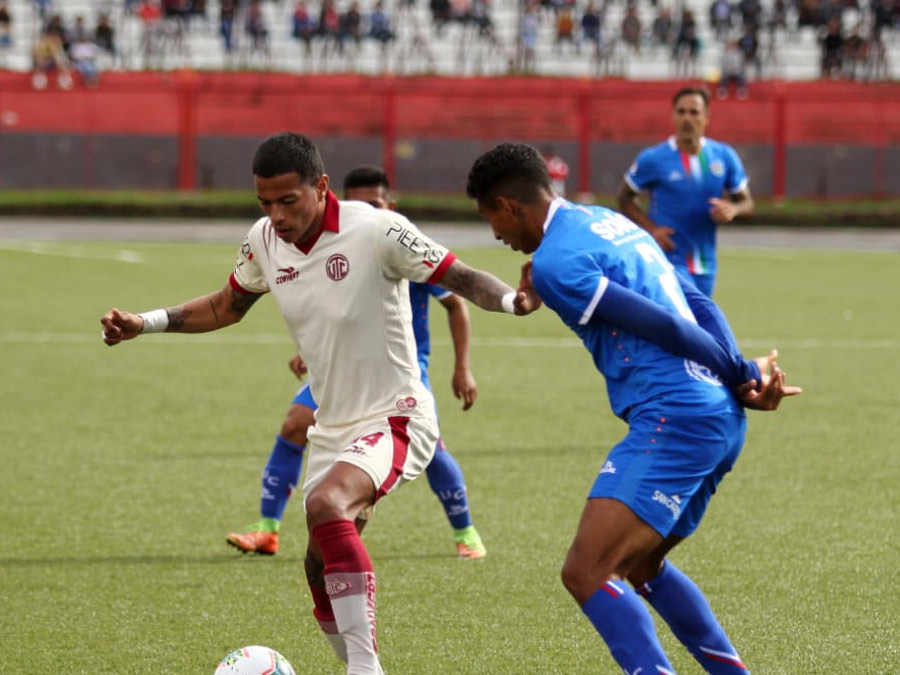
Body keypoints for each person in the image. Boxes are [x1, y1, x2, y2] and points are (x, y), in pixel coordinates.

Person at [100, 132, 539, 675]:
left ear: (322, 186)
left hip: (397, 413)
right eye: (265, 203)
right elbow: (226, 305)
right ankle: (353, 662)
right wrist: (145, 323)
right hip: (333, 427)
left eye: (288, 200)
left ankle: (365, 669)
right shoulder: (264, 240)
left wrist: (514, 301)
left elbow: (460, 276)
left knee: (328, 504)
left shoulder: (377, 229)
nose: (276, 216)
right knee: (317, 565)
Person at [466, 142, 800, 675]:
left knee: (587, 571)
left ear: (507, 205)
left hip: (674, 415)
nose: (496, 235)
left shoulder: (554, 261)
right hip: (717, 417)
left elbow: (663, 324)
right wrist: (735, 377)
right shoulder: (608, 221)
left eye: (491, 219)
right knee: (643, 565)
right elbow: (699, 304)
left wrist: (740, 372)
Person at [226, 164, 488, 560]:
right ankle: (268, 528)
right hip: (342, 368)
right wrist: (309, 349)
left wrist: (462, 367)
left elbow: (456, 304)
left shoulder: (399, 243)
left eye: (376, 204)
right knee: (295, 424)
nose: (368, 211)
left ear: (390, 206)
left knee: (430, 447)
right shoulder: (336, 241)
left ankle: (465, 531)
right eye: (360, 204)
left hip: (398, 371)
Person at [617, 87, 755, 298]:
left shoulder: (723, 156)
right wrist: (651, 229)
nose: (687, 118)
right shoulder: (654, 158)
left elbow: (747, 203)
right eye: (681, 112)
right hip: (668, 260)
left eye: (694, 112)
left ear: (706, 117)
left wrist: (733, 209)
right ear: (673, 116)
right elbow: (624, 199)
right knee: (681, 314)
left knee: (697, 317)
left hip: (706, 264)